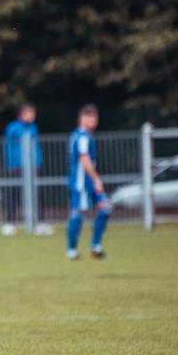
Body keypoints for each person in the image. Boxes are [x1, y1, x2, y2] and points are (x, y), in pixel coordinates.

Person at [67, 104, 110, 260]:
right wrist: (96, 179)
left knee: (104, 209)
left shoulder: (83, 136)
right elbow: (84, 160)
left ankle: (95, 247)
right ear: (81, 118)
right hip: (81, 183)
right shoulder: (82, 137)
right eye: (89, 117)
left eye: (94, 117)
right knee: (78, 214)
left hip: (88, 182)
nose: (93, 120)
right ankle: (71, 251)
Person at [2, 103, 44, 235]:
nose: (32, 116)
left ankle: (40, 223)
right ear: (21, 114)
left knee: (36, 194)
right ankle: (10, 223)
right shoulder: (13, 128)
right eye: (29, 113)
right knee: (14, 195)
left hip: (33, 165)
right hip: (17, 166)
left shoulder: (33, 127)